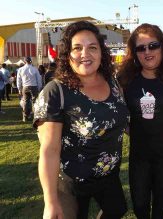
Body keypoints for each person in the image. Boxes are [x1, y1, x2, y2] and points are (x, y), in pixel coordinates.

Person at [33, 21, 129, 219]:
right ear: (68, 54)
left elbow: (121, 121)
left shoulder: (113, 83)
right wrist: (50, 202)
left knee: (117, 210)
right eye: (77, 48)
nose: (85, 54)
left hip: (108, 176)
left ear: (101, 53)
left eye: (92, 47)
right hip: (71, 181)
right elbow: (49, 150)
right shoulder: (56, 91)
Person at [118, 23, 163, 219]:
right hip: (140, 155)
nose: (147, 51)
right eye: (141, 48)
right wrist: (131, 129)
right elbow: (116, 112)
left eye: (152, 45)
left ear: (162, 46)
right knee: (139, 204)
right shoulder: (125, 80)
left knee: (161, 200)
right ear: (134, 53)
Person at [17, 57, 42, 122]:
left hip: (25, 87)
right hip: (34, 86)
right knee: (35, 102)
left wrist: (19, 89)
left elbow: (18, 80)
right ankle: (35, 116)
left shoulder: (20, 69)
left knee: (25, 102)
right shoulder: (35, 69)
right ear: (31, 61)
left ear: (24, 61)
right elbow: (39, 79)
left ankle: (25, 117)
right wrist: (39, 88)